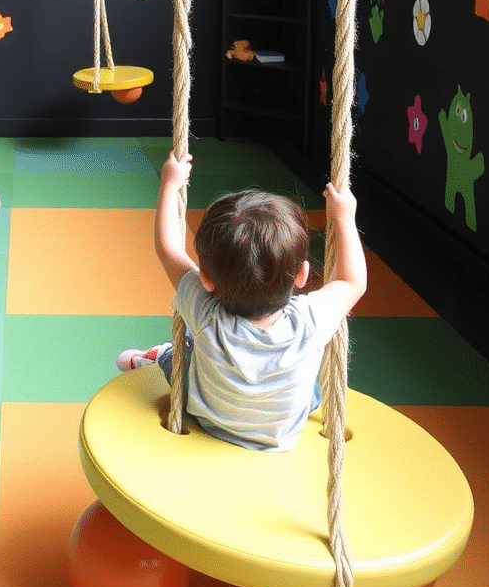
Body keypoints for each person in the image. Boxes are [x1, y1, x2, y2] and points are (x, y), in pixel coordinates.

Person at [117, 150, 367, 451]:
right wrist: (343, 219)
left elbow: (168, 249)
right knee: (310, 389)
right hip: (282, 436)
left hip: (210, 422)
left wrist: (170, 185)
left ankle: (161, 356)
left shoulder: (206, 312)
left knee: (184, 353)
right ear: (302, 275)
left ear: (206, 280)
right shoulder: (310, 321)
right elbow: (352, 282)